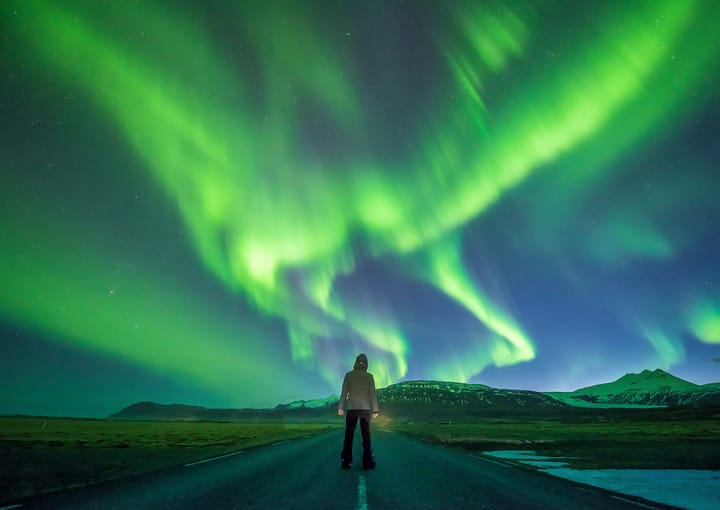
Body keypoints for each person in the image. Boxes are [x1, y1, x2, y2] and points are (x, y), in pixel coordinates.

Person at [338, 353, 379, 470]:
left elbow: (344, 393)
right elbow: (372, 394)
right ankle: (368, 463)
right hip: (365, 408)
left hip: (351, 408)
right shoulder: (369, 376)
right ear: (366, 363)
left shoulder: (348, 375)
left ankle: (346, 462)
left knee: (349, 435)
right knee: (366, 436)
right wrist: (375, 410)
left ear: (355, 362)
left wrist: (340, 407)